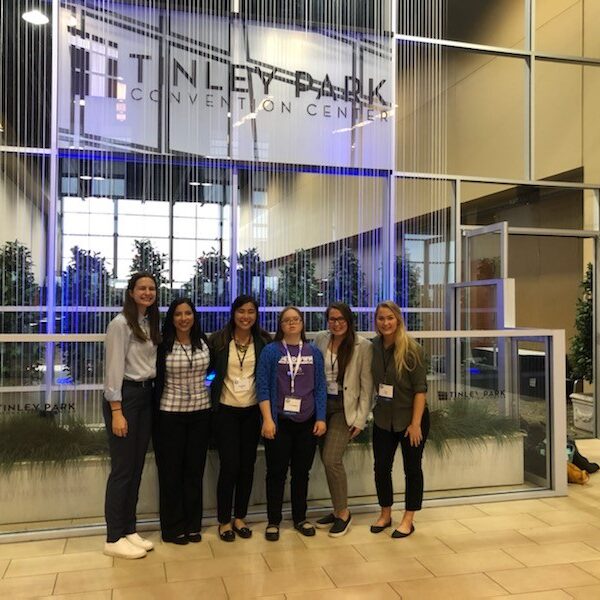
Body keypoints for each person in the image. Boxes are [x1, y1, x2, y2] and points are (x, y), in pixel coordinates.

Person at [256, 306, 327, 541]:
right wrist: (267, 419)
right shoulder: (271, 351)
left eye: (296, 319)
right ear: (281, 325)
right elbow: (263, 386)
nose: (292, 323)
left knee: (301, 473)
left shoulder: (313, 352)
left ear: (302, 323)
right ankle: (273, 521)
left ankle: (300, 518)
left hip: (307, 422)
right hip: (279, 422)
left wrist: (321, 417)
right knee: (276, 473)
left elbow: (320, 388)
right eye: (287, 320)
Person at [103, 272, 160, 559]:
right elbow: (113, 369)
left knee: (136, 467)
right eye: (142, 288)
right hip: (124, 398)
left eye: (151, 288)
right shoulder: (120, 324)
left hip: (145, 396)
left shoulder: (149, 322)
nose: (147, 292)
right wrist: (116, 411)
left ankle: (129, 529)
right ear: (131, 292)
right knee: (123, 469)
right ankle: (113, 538)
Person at [209, 295, 272, 542]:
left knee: (248, 466)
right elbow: (210, 373)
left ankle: (240, 518)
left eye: (251, 312)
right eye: (241, 311)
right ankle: (224, 520)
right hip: (225, 411)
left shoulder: (264, 342)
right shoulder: (219, 340)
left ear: (256, 315)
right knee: (229, 466)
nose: (246, 316)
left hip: (252, 412)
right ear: (233, 313)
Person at [154, 298, 212, 544]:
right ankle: (172, 528)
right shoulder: (163, 344)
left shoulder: (203, 342)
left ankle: (192, 525)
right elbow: (156, 376)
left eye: (188, 313)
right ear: (172, 318)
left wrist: (206, 385)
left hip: (200, 413)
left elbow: (214, 369)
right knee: (171, 474)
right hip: (170, 414)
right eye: (178, 314)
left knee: (194, 472)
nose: (184, 318)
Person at [313, 302, 373, 537]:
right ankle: (337, 509)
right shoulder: (320, 339)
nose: (336, 323)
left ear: (349, 321)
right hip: (320, 405)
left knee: (331, 459)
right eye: (332, 319)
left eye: (340, 319)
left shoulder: (362, 346)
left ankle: (344, 513)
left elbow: (368, 386)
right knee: (327, 461)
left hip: (343, 408)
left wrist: (360, 419)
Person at [370, 300, 429, 538]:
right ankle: (385, 513)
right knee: (381, 468)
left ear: (398, 320)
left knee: (412, 469)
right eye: (381, 318)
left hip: (410, 420)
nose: (385, 323)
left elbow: (420, 390)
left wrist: (415, 424)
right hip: (383, 419)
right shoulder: (372, 347)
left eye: (390, 318)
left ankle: (408, 518)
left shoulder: (412, 349)